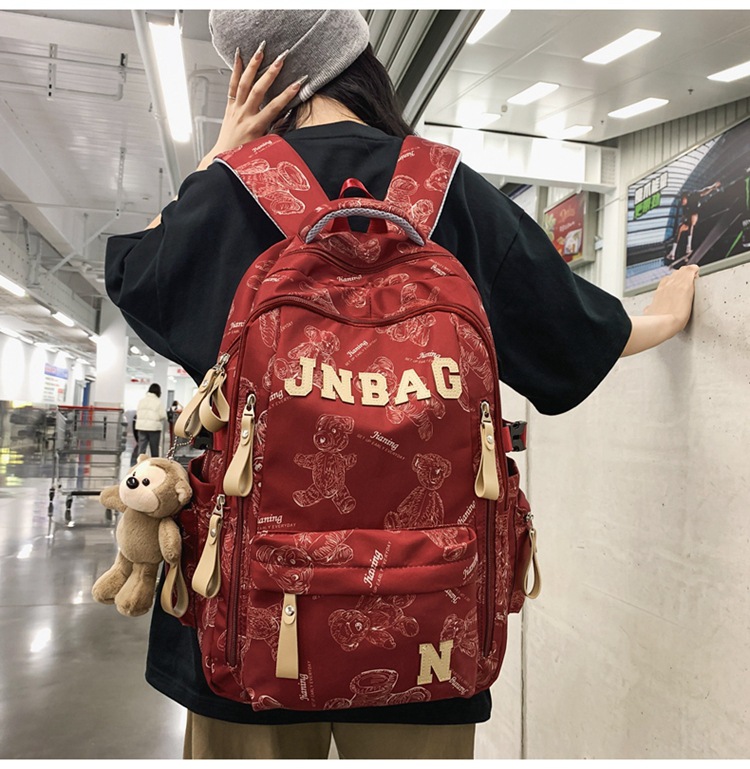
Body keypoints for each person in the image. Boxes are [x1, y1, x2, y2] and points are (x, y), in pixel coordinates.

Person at [104, 9, 700, 760]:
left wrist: (215, 159)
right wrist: (665, 316)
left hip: (246, 610)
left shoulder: (224, 193)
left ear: (254, 81)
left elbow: (135, 273)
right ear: (362, 61)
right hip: (430, 620)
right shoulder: (453, 191)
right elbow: (577, 336)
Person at [134, 383, 165, 459]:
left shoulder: (141, 401)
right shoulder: (158, 401)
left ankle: (140, 463)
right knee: (154, 449)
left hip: (141, 427)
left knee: (141, 449)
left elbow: (137, 413)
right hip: (154, 428)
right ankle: (154, 464)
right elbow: (163, 415)